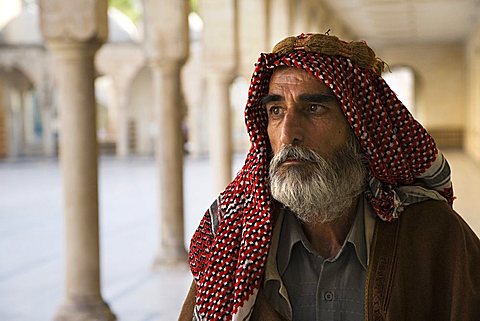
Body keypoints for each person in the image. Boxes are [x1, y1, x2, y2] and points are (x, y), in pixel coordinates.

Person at [179, 33, 480, 321]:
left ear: (359, 126)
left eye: (313, 108)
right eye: (275, 110)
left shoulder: (433, 234)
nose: (288, 134)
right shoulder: (234, 237)